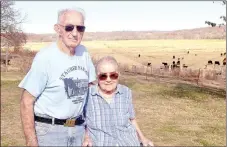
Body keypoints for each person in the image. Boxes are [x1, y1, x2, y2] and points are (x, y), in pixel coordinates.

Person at [19, 7, 96, 146]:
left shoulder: (84, 54)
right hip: (49, 132)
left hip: (77, 129)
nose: (75, 33)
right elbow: (26, 101)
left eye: (80, 28)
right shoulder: (45, 58)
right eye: (69, 27)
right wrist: (31, 141)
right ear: (58, 29)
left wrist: (87, 133)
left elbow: (91, 96)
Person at [82, 56, 154, 146]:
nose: (108, 79)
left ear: (118, 75)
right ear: (97, 76)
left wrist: (143, 138)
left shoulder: (126, 92)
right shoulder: (87, 95)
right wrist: (86, 137)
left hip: (129, 142)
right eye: (103, 76)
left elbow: (132, 120)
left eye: (113, 75)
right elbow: (82, 122)